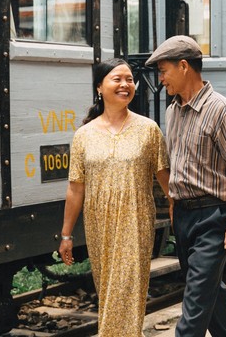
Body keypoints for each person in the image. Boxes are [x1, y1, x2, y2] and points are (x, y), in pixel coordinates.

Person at [145, 35, 226, 337]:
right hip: (183, 217)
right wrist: (172, 204)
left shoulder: (222, 111)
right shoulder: (172, 111)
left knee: (194, 309)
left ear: (183, 66)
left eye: (164, 70)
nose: (161, 78)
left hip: (213, 217)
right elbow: (179, 167)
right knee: (211, 296)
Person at [58, 58, 170, 337]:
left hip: (136, 221)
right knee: (108, 292)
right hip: (99, 226)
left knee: (128, 292)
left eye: (130, 79)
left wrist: (178, 210)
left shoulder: (149, 130)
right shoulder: (83, 135)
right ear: (100, 86)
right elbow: (75, 189)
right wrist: (66, 235)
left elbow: (166, 179)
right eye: (117, 79)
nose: (125, 85)